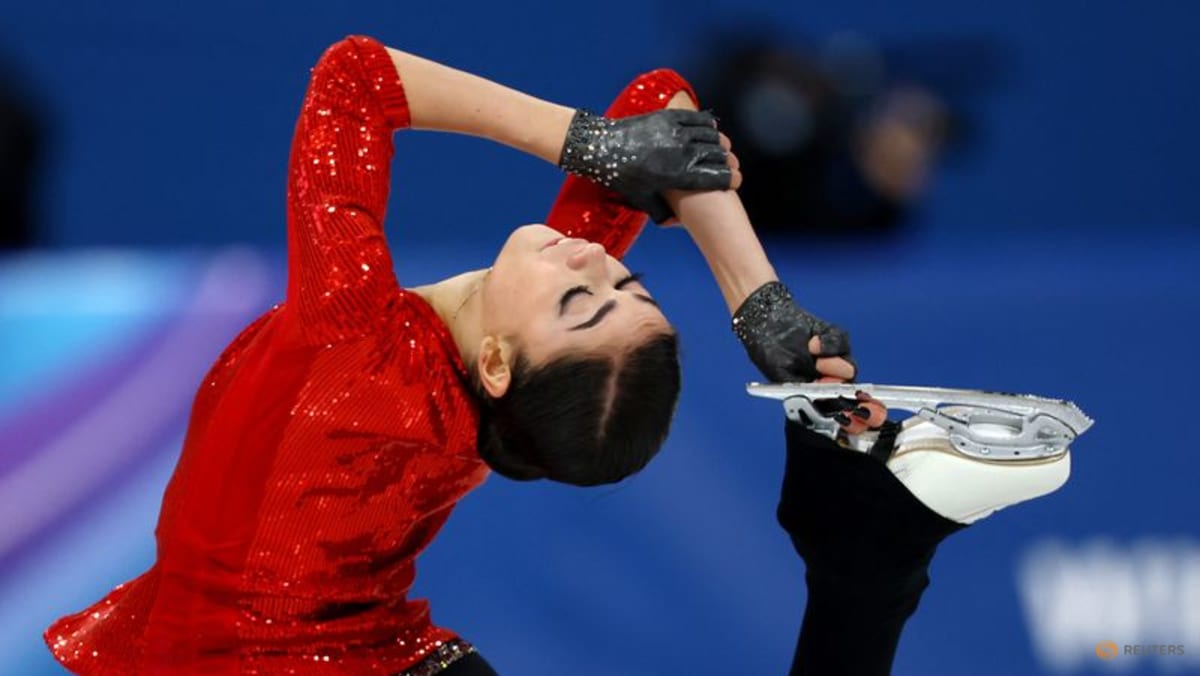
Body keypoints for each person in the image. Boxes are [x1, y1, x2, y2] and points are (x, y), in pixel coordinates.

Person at [43, 35, 862, 675]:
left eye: (583, 303)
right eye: (629, 281)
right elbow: (662, 110)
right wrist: (763, 307)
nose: (594, 261)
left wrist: (588, 145)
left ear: (501, 365)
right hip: (376, 649)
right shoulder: (510, 361)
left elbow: (356, 76)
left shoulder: (356, 332)